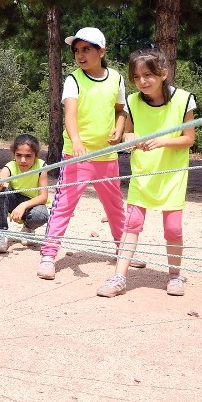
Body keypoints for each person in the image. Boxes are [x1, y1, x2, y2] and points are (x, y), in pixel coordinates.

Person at [96, 49, 195, 297]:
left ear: (163, 73)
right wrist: (128, 137)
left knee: (173, 228)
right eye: (137, 76)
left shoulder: (184, 100)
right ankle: (119, 277)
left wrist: (161, 141)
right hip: (142, 173)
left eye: (148, 75)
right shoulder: (132, 101)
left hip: (171, 175)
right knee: (133, 224)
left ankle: (175, 275)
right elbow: (128, 135)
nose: (143, 81)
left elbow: (188, 139)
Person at [38, 27, 127, 280]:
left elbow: (121, 110)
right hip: (76, 157)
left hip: (107, 157)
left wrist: (119, 129)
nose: (80, 55)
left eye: (86, 49)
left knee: (115, 207)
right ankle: (48, 255)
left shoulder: (117, 79)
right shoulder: (73, 80)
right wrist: (76, 141)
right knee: (63, 206)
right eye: (76, 50)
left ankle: (124, 250)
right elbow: (70, 115)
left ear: (102, 51)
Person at [0, 134, 50, 254]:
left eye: (28, 156)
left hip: (32, 205)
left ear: (36, 155)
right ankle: (1, 232)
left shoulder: (41, 167)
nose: (23, 160)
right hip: (12, 201)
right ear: (14, 155)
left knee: (42, 214)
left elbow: (43, 197)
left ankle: (28, 229)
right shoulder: (10, 166)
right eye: (19, 155)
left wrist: (23, 206)